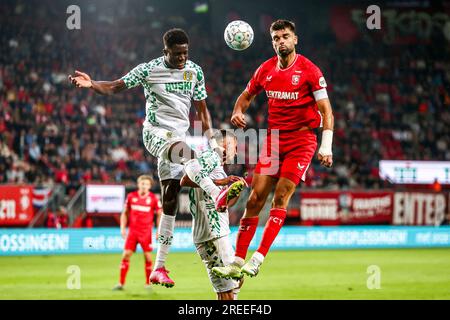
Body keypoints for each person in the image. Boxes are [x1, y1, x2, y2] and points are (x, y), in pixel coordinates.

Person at [69, 28, 241, 287]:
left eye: (185, 52)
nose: (182, 57)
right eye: (177, 53)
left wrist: (213, 139)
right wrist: (92, 84)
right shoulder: (148, 69)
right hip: (156, 134)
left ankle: (158, 268)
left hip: (178, 136)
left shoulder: (195, 71)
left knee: (170, 200)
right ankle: (217, 194)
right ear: (165, 52)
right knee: (187, 153)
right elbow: (115, 86)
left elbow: (202, 110)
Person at [212, 19, 334, 279]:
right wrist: (237, 111)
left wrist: (326, 146)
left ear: (295, 39)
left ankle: (257, 259)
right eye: (276, 38)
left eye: (285, 36)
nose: (281, 41)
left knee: (280, 197)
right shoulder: (265, 69)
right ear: (272, 42)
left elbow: (326, 111)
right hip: (274, 140)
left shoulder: (310, 71)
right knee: (255, 199)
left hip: (302, 142)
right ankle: (236, 261)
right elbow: (246, 95)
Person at [180, 130, 246, 300]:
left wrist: (234, 190)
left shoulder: (218, 166)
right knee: (226, 292)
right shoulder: (208, 157)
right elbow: (185, 180)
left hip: (218, 231)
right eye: (235, 146)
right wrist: (222, 182)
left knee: (237, 280)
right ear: (225, 143)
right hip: (211, 235)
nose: (236, 152)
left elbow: (223, 205)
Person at [113, 175, 162, 290]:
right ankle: (121, 283)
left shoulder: (153, 199)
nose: (144, 186)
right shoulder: (131, 197)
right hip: (133, 232)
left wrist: (159, 230)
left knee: (148, 257)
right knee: (126, 255)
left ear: (150, 186)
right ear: (138, 184)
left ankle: (148, 283)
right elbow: (124, 213)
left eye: (147, 184)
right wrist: (122, 227)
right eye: (142, 184)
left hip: (146, 232)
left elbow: (160, 215)